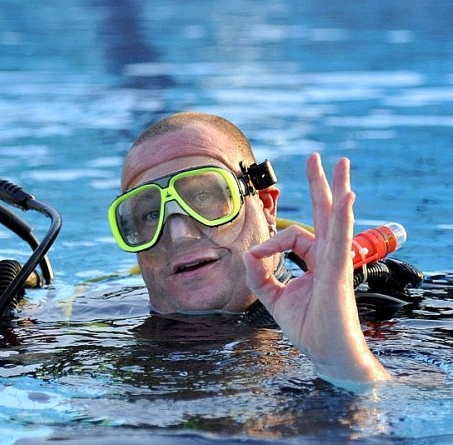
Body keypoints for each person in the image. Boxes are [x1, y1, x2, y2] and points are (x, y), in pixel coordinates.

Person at [108, 111, 391, 387]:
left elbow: (417, 413)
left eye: (204, 196)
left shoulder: (381, 318)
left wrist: (343, 364)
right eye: (150, 215)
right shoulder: (97, 328)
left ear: (266, 206)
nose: (180, 235)